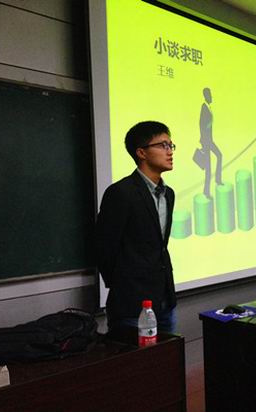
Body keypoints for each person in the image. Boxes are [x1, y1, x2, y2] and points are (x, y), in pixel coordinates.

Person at [96, 121, 177, 334]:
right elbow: (104, 247)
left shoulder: (168, 194)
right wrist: (124, 284)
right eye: (163, 145)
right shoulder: (121, 192)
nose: (170, 151)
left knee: (170, 353)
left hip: (165, 299)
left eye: (171, 145)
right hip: (132, 304)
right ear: (141, 152)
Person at [199, 87, 223, 197]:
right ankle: (206, 191)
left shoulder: (208, 107)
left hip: (209, 140)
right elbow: (201, 124)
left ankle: (217, 179)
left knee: (219, 155)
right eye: (210, 95)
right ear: (206, 96)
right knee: (208, 167)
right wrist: (203, 141)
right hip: (206, 142)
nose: (212, 97)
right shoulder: (204, 107)